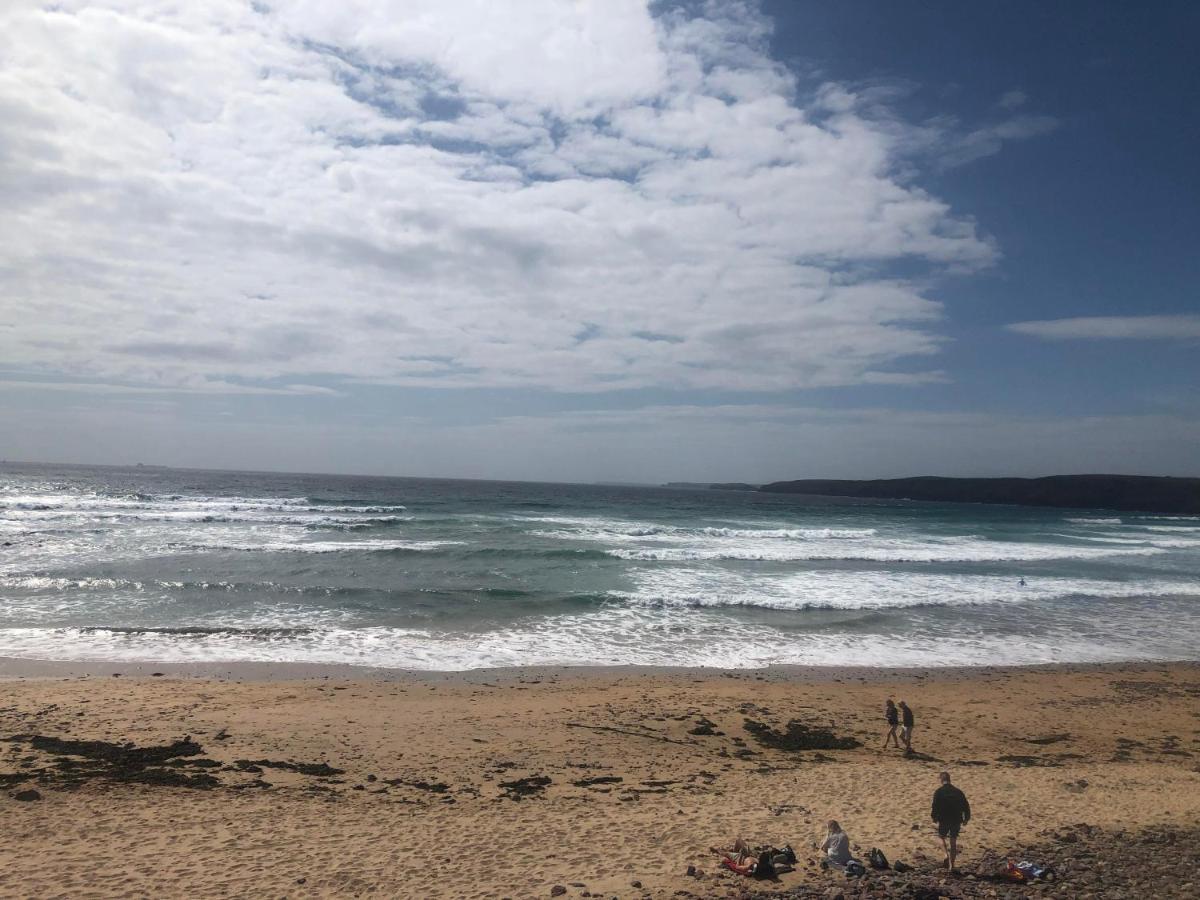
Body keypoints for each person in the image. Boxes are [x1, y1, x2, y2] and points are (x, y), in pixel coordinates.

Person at [931, 772, 971, 872]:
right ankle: (952, 865)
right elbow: (966, 805)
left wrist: (934, 817)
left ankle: (945, 854)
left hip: (944, 818)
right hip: (956, 819)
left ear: (941, 780)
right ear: (949, 779)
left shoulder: (939, 792)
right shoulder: (958, 792)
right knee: (953, 841)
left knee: (941, 836)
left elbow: (935, 806)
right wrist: (966, 818)